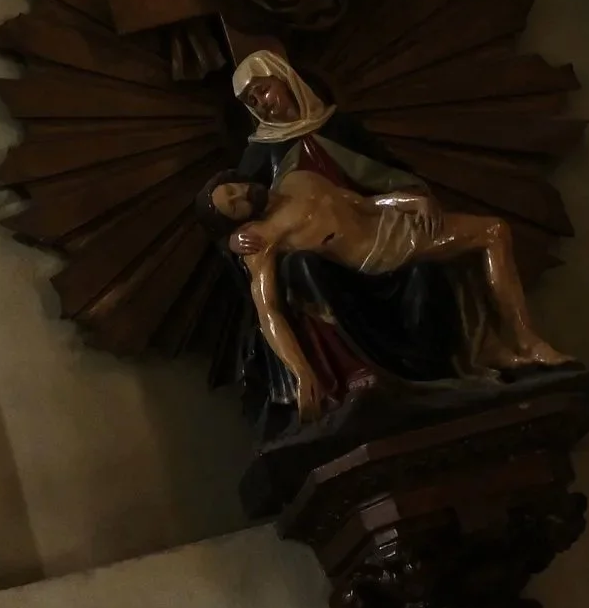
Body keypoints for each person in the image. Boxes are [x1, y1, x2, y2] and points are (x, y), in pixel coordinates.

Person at [212, 50, 569, 428]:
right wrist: (232, 244)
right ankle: (357, 375)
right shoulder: (259, 157)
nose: (262, 105)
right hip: (336, 262)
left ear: (285, 78)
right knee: (306, 268)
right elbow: (234, 217)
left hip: (385, 227)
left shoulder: (339, 129)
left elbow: (373, 189)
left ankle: (519, 342)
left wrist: (413, 195)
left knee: (493, 232)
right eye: (252, 101)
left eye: (263, 90)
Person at [204, 169, 570, 424]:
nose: (242, 195)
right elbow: (269, 311)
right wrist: (301, 373)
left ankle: (528, 341)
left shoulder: (299, 179)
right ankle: (491, 350)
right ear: (239, 222)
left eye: (233, 188)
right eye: (234, 205)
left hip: (396, 232)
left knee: (494, 230)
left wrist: (408, 202)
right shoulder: (260, 238)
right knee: (484, 238)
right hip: (372, 261)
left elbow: (364, 204)